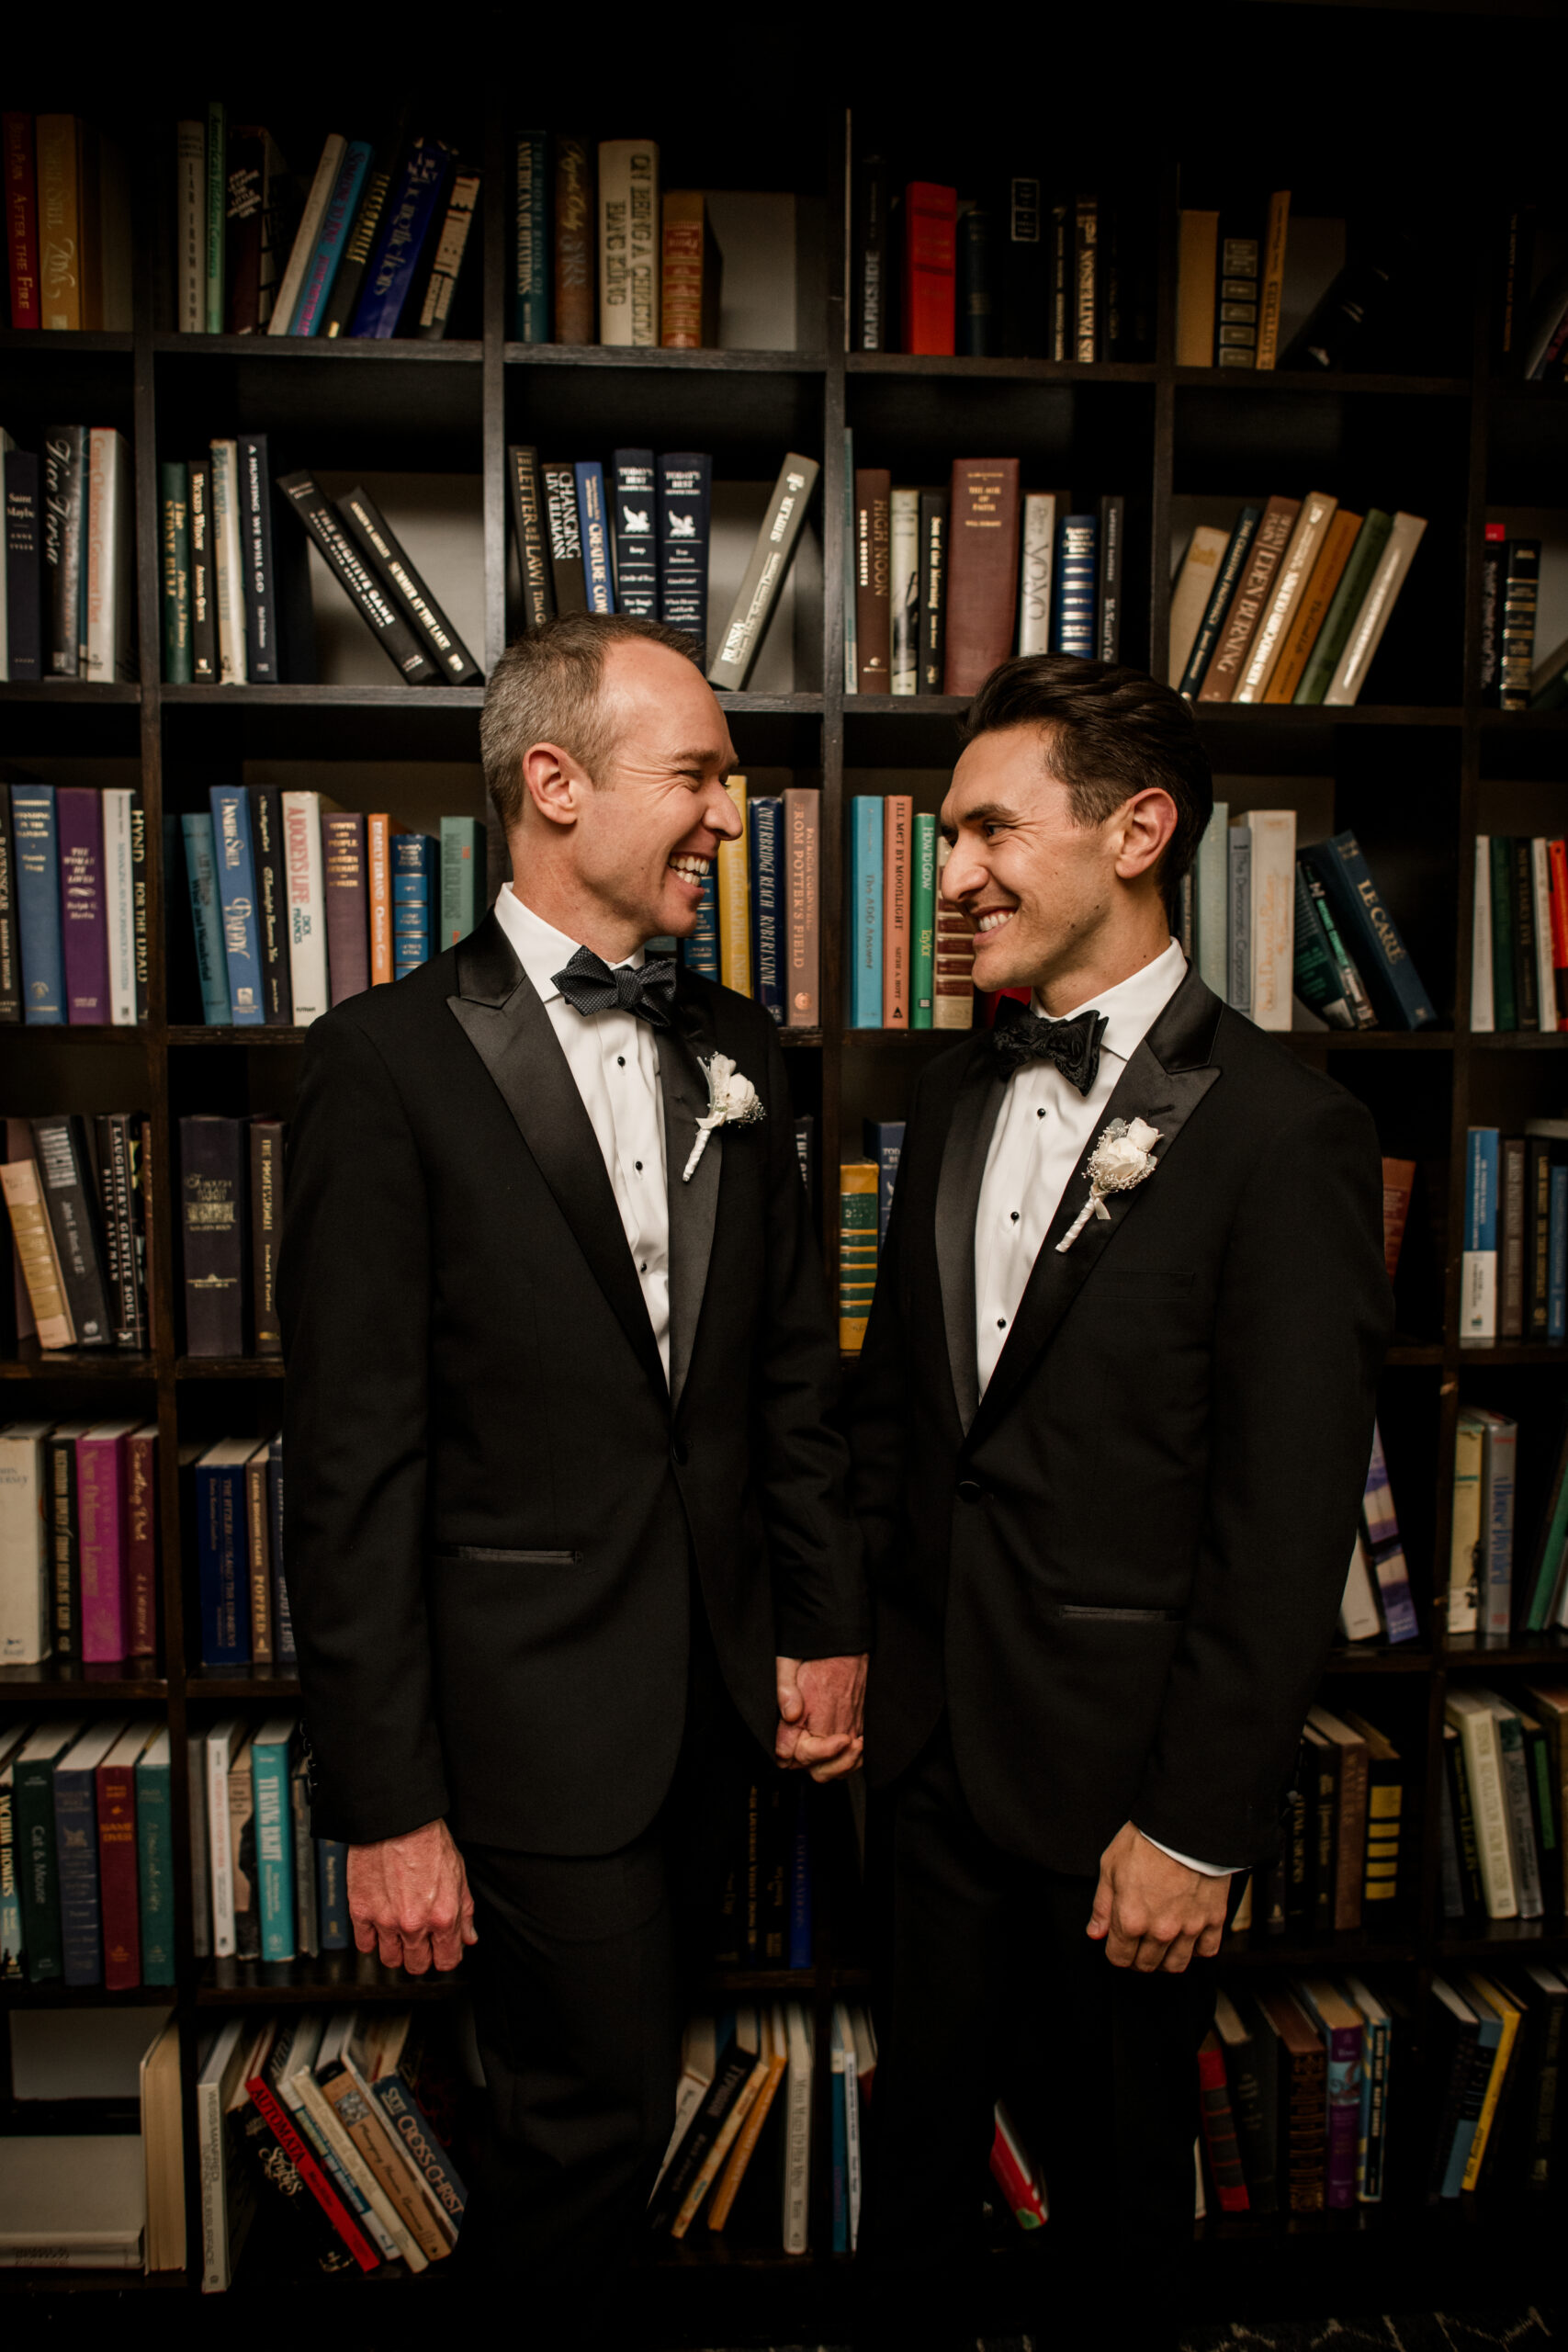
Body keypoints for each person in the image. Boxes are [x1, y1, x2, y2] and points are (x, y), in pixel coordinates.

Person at [278, 613, 867, 2335]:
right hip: (521, 1724)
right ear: (554, 782)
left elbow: (786, 1380)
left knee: (612, 2102)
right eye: (697, 776)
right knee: (584, 2132)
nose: (730, 817)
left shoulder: (742, 1047)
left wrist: (820, 1625)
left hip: (710, 1705)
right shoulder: (384, 1063)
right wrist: (388, 1805)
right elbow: (352, 1466)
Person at [848, 654, 1391, 2348]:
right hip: (926, 1761)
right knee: (911, 2193)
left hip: (1122, 1799)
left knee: (1115, 2219)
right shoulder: (949, 1093)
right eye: (949, 836)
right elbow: (907, 1423)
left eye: (990, 830)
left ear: (1139, 831)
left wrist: (1196, 1826)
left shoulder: (1287, 1134)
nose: (953, 875)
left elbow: (1286, 1523)